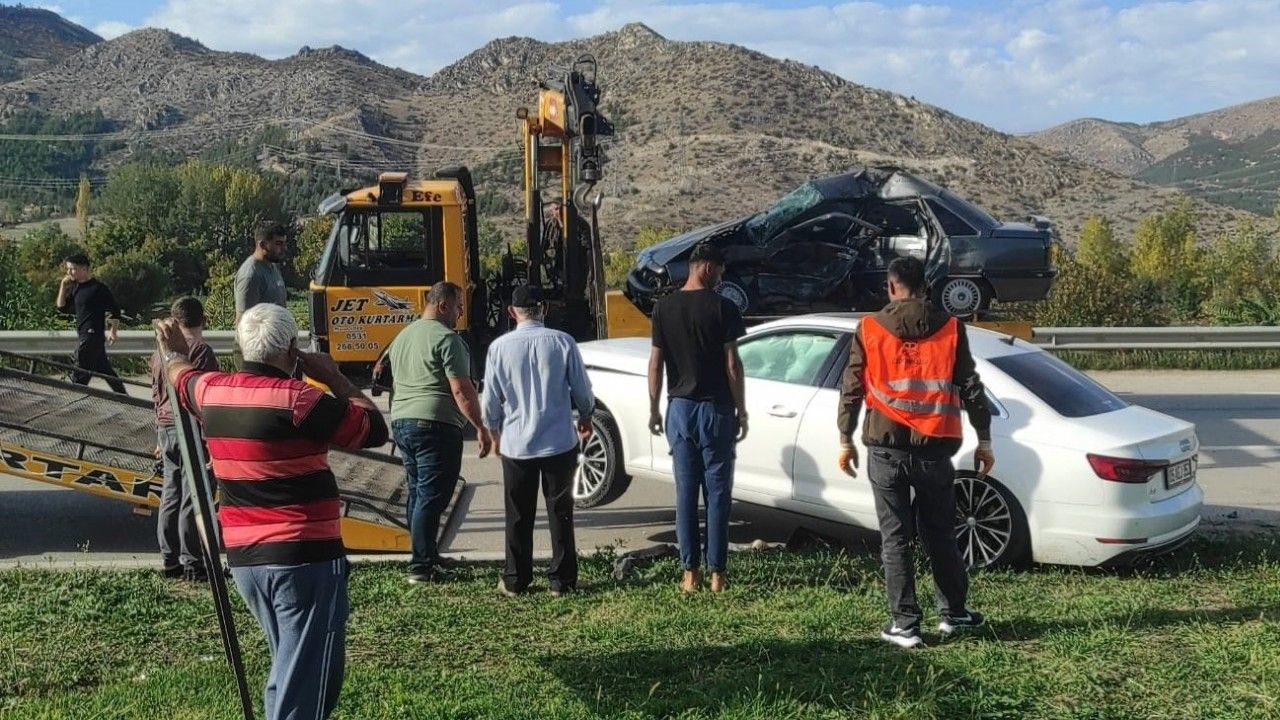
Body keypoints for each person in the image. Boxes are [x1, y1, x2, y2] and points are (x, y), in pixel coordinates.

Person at [156, 302, 388, 720]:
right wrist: (333, 375)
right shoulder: (300, 400)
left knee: (287, 664)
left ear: (241, 346)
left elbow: (181, 378)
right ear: (292, 348)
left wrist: (174, 351)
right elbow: (372, 429)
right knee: (309, 679)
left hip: (247, 560)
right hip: (305, 558)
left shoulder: (213, 392)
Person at [836, 255, 995, 649]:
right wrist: (985, 438)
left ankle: (905, 625)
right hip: (934, 452)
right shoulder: (952, 328)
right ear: (926, 286)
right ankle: (954, 612)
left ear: (891, 287)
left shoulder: (870, 328)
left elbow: (852, 387)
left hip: (886, 450)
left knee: (896, 538)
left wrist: (845, 437)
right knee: (941, 533)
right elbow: (972, 388)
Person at [647, 242, 747, 593]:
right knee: (718, 495)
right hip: (716, 409)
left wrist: (653, 408)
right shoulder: (724, 308)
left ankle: (690, 573)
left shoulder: (664, 307)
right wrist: (742, 410)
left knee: (686, 493)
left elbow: (656, 363)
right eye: (719, 271)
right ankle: (718, 574)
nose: (721, 278)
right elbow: (732, 365)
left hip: (680, 410)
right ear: (707, 267)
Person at [482, 285, 595, 597]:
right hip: (559, 441)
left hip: (517, 443)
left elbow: (490, 398)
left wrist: (493, 431)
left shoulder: (499, 348)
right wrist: (586, 414)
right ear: (544, 309)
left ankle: (516, 579)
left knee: (518, 513)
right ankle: (562, 580)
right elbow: (581, 389)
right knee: (561, 512)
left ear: (511, 312)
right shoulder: (563, 342)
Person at [385, 281, 492, 584]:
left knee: (418, 491)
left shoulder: (402, 337)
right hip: (435, 424)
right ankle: (421, 565)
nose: (460, 314)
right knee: (433, 495)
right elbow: (461, 389)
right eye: (458, 306)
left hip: (403, 421)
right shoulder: (447, 339)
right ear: (443, 305)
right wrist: (481, 427)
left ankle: (426, 554)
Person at [149, 297, 220, 582]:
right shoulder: (200, 351)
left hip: (166, 428)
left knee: (171, 494)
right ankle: (193, 562)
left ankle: (169, 560)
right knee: (195, 496)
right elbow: (204, 398)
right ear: (202, 319)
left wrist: (158, 433)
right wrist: (212, 440)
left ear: (174, 321)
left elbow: (156, 394)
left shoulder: (158, 353)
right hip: (190, 428)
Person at [56, 252, 126, 394]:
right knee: (106, 371)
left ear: (84, 268)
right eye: (68, 269)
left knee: (80, 372)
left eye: (72, 269)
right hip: (87, 336)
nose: (69, 272)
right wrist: (63, 285)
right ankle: (125, 398)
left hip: (91, 336)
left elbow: (115, 310)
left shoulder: (99, 288)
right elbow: (61, 307)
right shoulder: (75, 287)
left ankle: (72, 398)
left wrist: (113, 331)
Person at [234, 221, 289, 368]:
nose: (284, 248)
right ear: (263, 245)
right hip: (257, 357)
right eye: (278, 243)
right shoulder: (250, 275)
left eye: (284, 243)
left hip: (275, 352)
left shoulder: (272, 266)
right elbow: (243, 321)